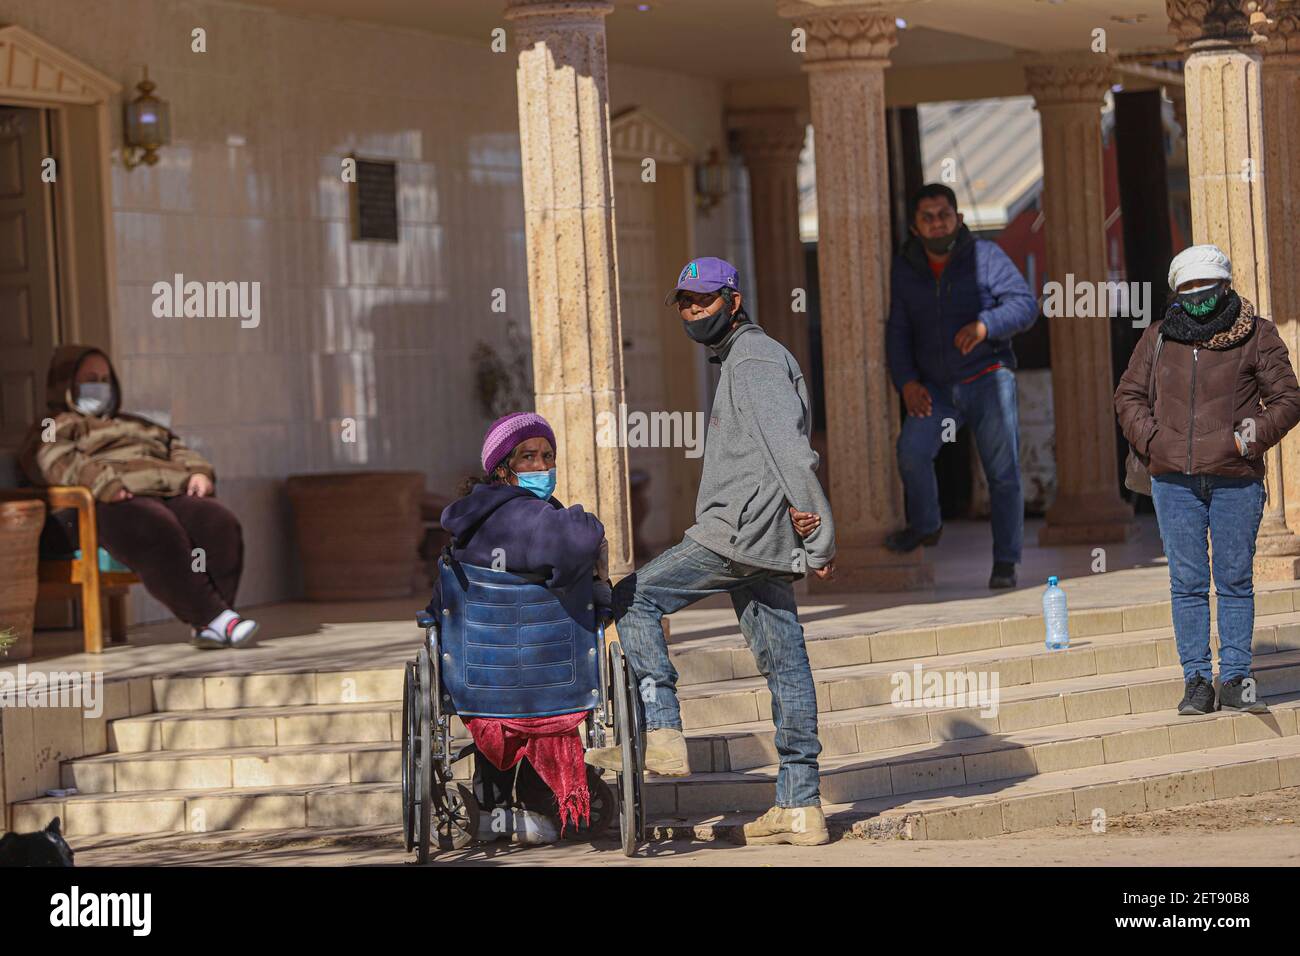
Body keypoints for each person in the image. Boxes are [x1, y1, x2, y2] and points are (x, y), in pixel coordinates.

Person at [584, 256, 836, 847]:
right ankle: (801, 805)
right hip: (763, 534)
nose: (695, 312)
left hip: (734, 533)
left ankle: (664, 729)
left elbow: (793, 453)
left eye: (705, 300)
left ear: (734, 298)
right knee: (786, 661)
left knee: (634, 598)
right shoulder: (744, 359)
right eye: (686, 304)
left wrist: (820, 536)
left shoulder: (752, 361)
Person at [1115, 245, 1300, 716]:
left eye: (1207, 289)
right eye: (1188, 290)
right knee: (1187, 582)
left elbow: (1287, 399)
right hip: (1173, 481)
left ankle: (1236, 676)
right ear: (1176, 292)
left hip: (1235, 477)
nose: (1198, 298)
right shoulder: (1159, 337)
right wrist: (1153, 440)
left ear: (1226, 285)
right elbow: (1128, 395)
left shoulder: (1257, 334)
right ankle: (1196, 679)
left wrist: (1253, 434)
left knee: (1235, 580)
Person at [428, 412, 607, 842]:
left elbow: (441, 607)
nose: (543, 467)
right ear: (503, 468)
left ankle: (492, 807)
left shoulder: (473, 522)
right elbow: (578, 543)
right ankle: (534, 803)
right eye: (529, 457)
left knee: (502, 683)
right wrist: (592, 529)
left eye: (548, 456)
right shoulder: (522, 516)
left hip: (480, 677)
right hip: (549, 675)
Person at [20, 345, 257, 649]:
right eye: (90, 378)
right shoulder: (53, 425)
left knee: (218, 523)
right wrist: (104, 483)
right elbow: (52, 461)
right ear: (66, 383)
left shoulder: (136, 423)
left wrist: (199, 472)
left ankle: (211, 625)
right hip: (107, 501)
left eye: (106, 379)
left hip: (166, 490)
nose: (100, 386)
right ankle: (218, 619)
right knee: (155, 528)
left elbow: (177, 448)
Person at [884, 184, 1038, 588]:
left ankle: (1006, 560)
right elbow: (898, 331)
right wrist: (906, 382)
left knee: (1002, 472)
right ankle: (927, 524)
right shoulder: (904, 267)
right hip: (934, 387)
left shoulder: (986, 256)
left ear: (959, 219)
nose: (937, 223)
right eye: (927, 217)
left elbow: (1025, 304)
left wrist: (986, 325)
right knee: (911, 452)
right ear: (916, 228)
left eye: (944, 215)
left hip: (988, 378)